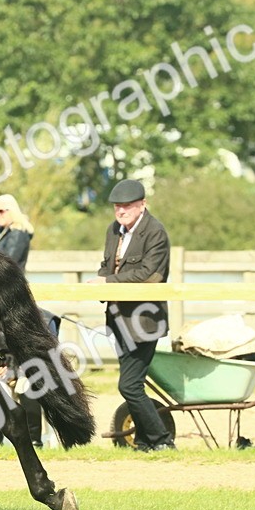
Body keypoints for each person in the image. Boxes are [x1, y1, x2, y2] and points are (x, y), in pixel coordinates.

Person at [86, 178, 174, 451]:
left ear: (142, 205)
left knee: (129, 385)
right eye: (117, 206)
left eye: (127, 206)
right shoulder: (113, 230)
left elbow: (150, 275)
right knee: (134, 384)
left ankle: (163, 440)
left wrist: (107, 283)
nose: (121, 211)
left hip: (144, 321)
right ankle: (144, 442)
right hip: (118, 320)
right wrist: (99, 284)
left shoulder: (156, 232)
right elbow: (107, 266)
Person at [0, 194, 33, 271]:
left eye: (1, 211)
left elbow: (9, 263)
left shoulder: (18, 233)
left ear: (12, 211)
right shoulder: (2, 231)